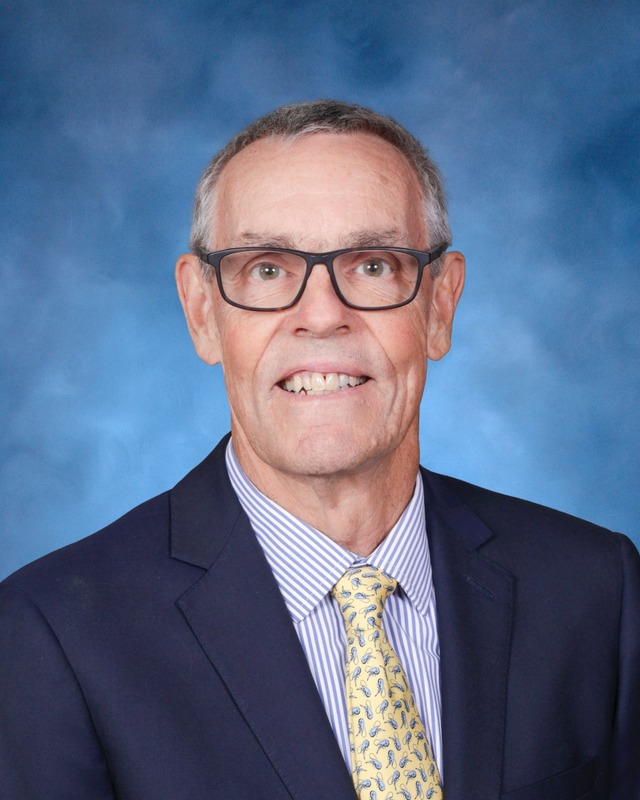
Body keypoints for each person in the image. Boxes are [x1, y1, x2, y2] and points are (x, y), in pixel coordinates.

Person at [0, 100, 638, 800]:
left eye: (372, 264)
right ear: (202, 312)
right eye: (267, 269)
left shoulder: (596, 591)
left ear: (441, 304)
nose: (323, 314)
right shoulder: (49, 634)